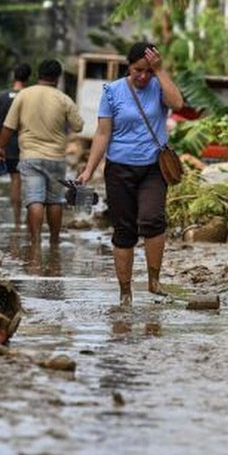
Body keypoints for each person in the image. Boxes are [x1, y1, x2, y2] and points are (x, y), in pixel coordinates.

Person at [75, 42, 185, 306]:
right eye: (138, 70)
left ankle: (154, 281)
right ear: (129, 66)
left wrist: (161, 71)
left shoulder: (158, 86)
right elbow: (103, 133)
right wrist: (89, 169)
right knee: (124, 231)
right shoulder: (112, 91)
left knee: (152, 220)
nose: (143, 76)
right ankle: (125, 292)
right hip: (119, 169)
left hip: (152, 168)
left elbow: (178, 103)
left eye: (148, 71)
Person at [0, 59, 83, 251]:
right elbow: (79, 125)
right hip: (56, 158)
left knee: (34, 199)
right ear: (58, 78)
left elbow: (8, 126)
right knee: (55, 200)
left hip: (30, 156)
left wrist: (0, 147)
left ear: (38, 75)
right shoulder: (64, 99)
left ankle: (35, 242)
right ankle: (54, 242)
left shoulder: (24, 95)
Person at [0, 64, 31, 228]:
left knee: (15, 180)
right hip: (28, 145)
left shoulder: (2, 96)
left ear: (14, 76)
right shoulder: (29, 96)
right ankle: (30, 220)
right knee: (30, 181)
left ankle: (16, 221)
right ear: (28, 78)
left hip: (8, 145)